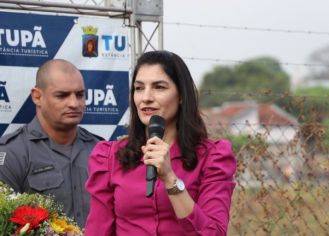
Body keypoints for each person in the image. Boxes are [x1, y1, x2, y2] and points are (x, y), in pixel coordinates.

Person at [85, 50, 237, 235]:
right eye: (139, 88)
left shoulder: (213, 156)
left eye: (159, 87)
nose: (146, 97)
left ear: (181, 95)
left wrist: (170, 179)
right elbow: (98, 230)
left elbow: (213, 233)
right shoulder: (109, 157)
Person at [0, 59, 103, 228]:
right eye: (62, 95)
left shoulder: (100, 149)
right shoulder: (12, 152)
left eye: (79, 94)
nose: (74, 103)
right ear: (37, 96)